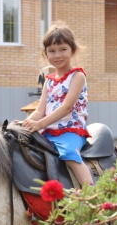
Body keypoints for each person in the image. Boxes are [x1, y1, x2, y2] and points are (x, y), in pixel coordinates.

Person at [22, 21, 93, 186]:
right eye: (52, 51)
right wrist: (25, 124)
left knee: (68, 153)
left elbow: (67, 107)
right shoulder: (49, 81)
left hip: (71, 131)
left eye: (63, 49)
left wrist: (39, 124)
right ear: (45, 53)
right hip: (49, 132)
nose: (57, 55)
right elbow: (40, 110)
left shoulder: (77, 76)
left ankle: (91, 192)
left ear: (72, 50)